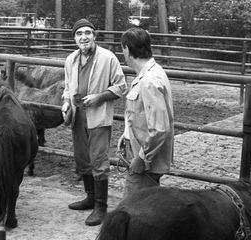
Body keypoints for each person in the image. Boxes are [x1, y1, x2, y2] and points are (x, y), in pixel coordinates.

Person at [61, 19, 127, 226]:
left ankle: (101, 207)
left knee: (98, 160)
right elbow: (67, 87)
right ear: (74, 38)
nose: (83, 37)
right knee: (82, 158)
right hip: (77, 116)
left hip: (98, 117)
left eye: (87, 33)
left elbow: (121, 86)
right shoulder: (70, 59)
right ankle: (90, 197)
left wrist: (100, 97)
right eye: (79, 33)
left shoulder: (108, 58)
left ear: (94, 35)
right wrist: (65, 102)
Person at [117, 27, 174, 198]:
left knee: (132, 209)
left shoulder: (149, 81)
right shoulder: (149, 74)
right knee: (149, 204)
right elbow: (142, 116)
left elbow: (159, 128)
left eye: (122, 49)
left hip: (144, 161)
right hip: (140, 152)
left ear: (127, 49)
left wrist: (142, 158)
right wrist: (126, 134)